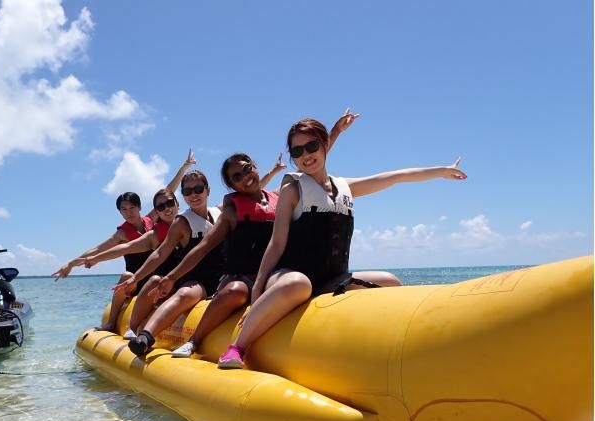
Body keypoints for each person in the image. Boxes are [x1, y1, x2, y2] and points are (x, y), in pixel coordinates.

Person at [217, 116, 467, 369]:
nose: (306, 155)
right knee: (299, 283)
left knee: (390, 281)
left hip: (332, 278)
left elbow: (395, 177)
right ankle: (237, 347)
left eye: (312, 146)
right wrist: (258, 288)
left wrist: (441, 172)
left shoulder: (345, 187)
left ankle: (403, 348)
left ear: (325, 145)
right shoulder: (293, 189)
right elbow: (277, 243)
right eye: (297, 151)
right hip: (288, 276)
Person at [156, 110, 358, 358]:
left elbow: (312, 164)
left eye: (247, 170)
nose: (245, 178)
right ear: (231, 185)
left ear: (255, 168)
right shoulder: (232, 209)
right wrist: (171, 277)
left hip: (277, 273)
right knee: (236, 291)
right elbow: (204, 247)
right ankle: (195, 341)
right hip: (244, 276)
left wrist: (335, 132)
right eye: (237, 177)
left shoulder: (278, 197)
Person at [115, 155, 292, 356]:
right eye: (188, 191)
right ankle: (146, 335)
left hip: (243, 273)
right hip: (200, 277)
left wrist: (332, 135)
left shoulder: (221, 210)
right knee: (186, 294)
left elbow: (261, 185)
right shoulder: (184, 222)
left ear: (208, 190)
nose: (194, 194)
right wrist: (147, 277)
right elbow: (169, 251)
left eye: (199, 189)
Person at [52, 150, 196, 332]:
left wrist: (184, 168)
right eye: (124, 209)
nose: (129, 212)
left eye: (132, 207)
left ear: (140, 207)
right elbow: (99, 249)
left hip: (159, 272)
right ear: (120, 212)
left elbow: (169, 192)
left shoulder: (153, 219)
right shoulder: (122, 234)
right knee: (127, 276)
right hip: (137, 278)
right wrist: (73, 263)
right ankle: (112, 320)